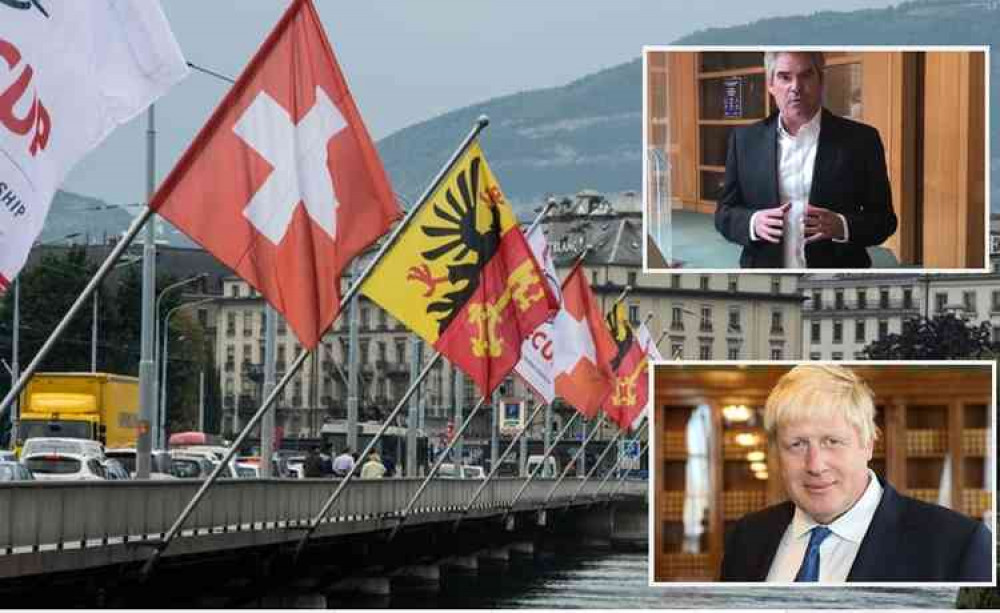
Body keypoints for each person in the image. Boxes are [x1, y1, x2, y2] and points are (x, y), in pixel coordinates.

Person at [720, 364, 991, 582]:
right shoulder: (746, 537)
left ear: (868, 444)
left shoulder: (957, 545)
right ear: (776, 453)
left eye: (832, 441)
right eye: (797, 444)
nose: (815, 465)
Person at [714, 51, 897, 268]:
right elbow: (724, 213)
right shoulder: (744, 140)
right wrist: (753, 223)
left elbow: (884, 220)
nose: (796, 87)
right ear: (770, 84)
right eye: (784, 77)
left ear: (821, 81)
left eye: (806, 75)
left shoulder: (862, 140)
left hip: (835, 274)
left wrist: (842, 225)